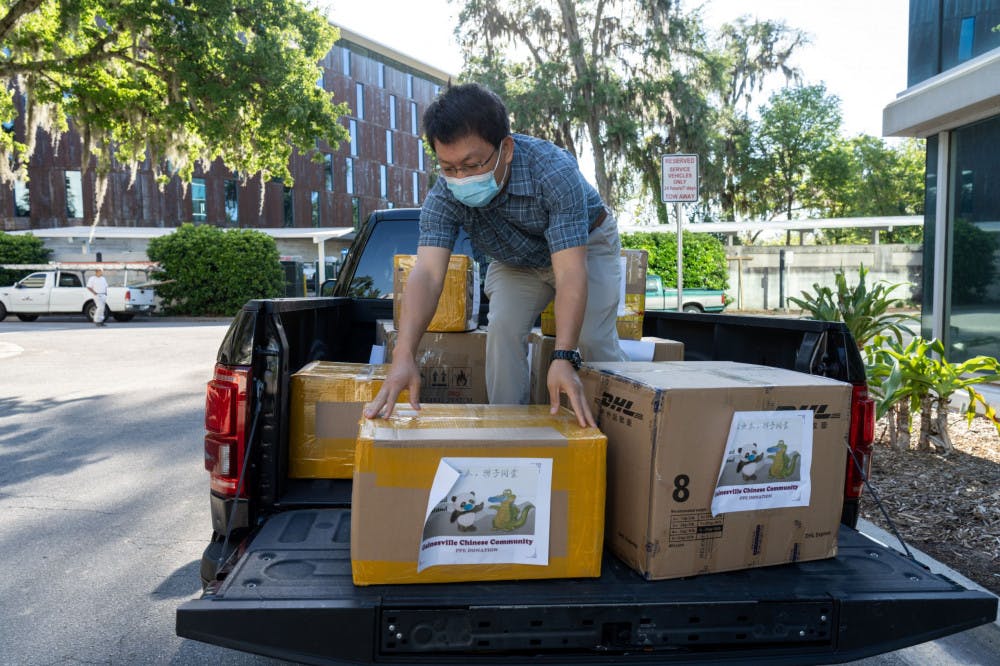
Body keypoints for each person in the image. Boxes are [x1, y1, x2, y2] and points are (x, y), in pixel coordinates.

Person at [364, 82, 628, 427]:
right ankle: (509, 430)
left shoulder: (554, 172)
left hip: (585, 245)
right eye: (448, 168)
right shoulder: (444, 195)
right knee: (502, 330)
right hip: (516, 261)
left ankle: (629, 421)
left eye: (471, 165)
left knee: (593, 338)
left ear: (505, 149)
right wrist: (403, 355)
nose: (460, 178)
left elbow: (569, 274)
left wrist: (563, 356)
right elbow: (428, 273)